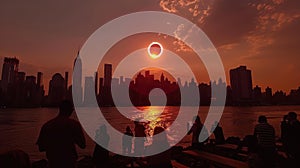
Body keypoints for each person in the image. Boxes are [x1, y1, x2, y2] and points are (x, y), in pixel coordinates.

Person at [36, 100, 86, 168]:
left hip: (53, 163)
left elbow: (41, 148)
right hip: (69, 163)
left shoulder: (47, 125)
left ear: (60, 109)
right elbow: (83, 145)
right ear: (71, 110)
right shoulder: (74, 125)